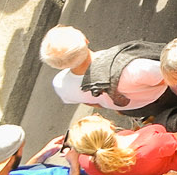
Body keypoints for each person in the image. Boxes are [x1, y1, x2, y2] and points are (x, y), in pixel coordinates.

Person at [38, 26, 168, 113]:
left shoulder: (60, 85)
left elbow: (93, 103)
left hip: (132, 109)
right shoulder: (131, 66)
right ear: (85, 39)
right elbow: (169, 77)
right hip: (161, 95)